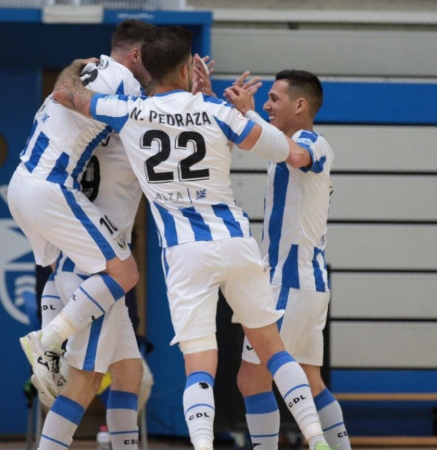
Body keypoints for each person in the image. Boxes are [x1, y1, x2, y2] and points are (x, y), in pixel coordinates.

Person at [52, 26, 332, 450]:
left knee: (199, 366)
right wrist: (233, 108)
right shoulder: (217, 113)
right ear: (188, 69)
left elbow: (66, 95)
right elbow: (278, 148)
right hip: (236, 242)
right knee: (274, 350)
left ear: (145, 68)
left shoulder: (128, 110)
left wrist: (73, 69)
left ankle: (202, 446)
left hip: (185, 252)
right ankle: (316, 436)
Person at [7, 19, 156, 450]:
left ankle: (48, 337)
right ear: (136, 56)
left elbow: (64, 90)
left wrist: (70, 69)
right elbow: (68, 95)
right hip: (53, 194)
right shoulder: (126, 90)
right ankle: (46, 342)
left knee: (128, 372)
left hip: (32, 190)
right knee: (124, 277)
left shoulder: (92, 73)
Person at [225, 71, 352, 449]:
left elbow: (295, 155)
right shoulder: (285, 140)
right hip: (306, 283)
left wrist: (250, 115)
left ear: (301, 105)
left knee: (252, 380)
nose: (267, 105)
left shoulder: (310, 141)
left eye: (275, 99)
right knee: (311, 383)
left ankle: (314, 442)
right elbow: (261, 143)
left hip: (290, 282)